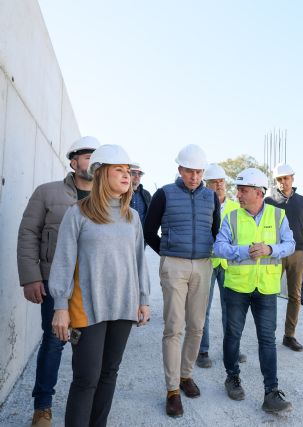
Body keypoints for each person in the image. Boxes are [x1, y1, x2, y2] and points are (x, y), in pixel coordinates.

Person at [48, 144, 151, 427]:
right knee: (86, 378)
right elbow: (63, 262)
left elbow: (139, 261)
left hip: (124, 307)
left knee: (109, 374)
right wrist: (60, 306)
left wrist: (143, 299)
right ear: (102, 173)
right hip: (87, 307)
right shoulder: (78, 213)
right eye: (119, 170)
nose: (127, 175)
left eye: (128, 170)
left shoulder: (132, 217)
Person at [17, 135, 100, 427]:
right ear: (74, 162)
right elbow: (28, 233)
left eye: (97, 157)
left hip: (93, 288)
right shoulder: (47, 192)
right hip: (56, 283)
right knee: (53, 343)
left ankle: (85, 408)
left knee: (89, 349)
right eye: (87, 157)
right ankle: (42, 408)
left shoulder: (106, 199)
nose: (93, 162)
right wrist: (31, 277)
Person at [143, 144, 220, 418]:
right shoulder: (164, 194)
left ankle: (186, 375)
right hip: (174, 265)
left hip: (203, 265)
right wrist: (167, 251)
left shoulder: (211, 197)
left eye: (199, 172)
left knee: (197, 326)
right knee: (174, 327)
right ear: (180, 169)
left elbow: (215, 231)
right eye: (189, 171)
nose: (194, 177)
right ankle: (172, 389)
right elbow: (148, 231)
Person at [213, 168, 295, 414]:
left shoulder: (278, 216)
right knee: (232, 335)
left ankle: (271, 392)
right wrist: (243, 251)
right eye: (238, 190)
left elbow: (290, 244)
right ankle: (232, 377)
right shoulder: (231, 217)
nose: (238, 194)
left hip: (266, 288)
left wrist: (270, 249)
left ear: (259, 193)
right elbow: (219, 247)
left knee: (267, 340)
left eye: (243, 190)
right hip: (237, 286)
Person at [196, 163, 246, 369]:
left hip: (228, 264)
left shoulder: (236, 207)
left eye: (221, 181)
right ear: (206, 184)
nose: (218, 185)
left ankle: (232, 348)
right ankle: (202, 350)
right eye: (214, 182)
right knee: (203, 309)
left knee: (231, 309)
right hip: (207, 262)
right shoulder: (200, 204)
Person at [264, 163, 303, 352]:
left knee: (295, 295)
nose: (283, 182)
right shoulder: (269, 201)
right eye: (279, 179)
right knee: (269, 293)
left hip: (297, 252)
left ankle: (289, 335)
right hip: (276, 252)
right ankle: (267, 334)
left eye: (286, 178)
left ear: (292, 178)